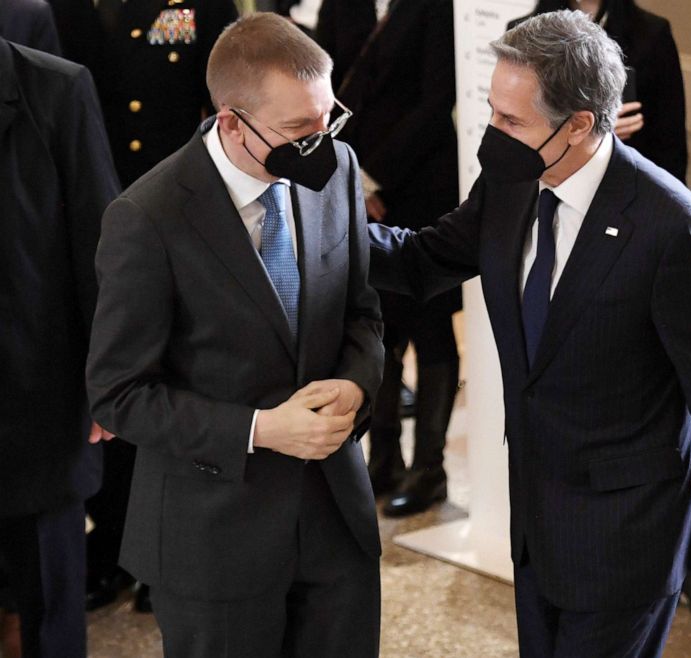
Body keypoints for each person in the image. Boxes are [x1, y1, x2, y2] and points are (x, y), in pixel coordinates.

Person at [369, 11, 691, 656]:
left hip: (628, 537)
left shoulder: (672, 229)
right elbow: (421, 261)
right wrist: (311, 220)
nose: (490, 135)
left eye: (511, 121)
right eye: (492, 111)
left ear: (579, 124)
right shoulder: (511, 183)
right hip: (538, 527)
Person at [86, 13, 384, 657]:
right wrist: (259, 427)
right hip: (212, 540)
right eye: (298, 130)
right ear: (231, 122)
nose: (319, 143)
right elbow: (119, 393)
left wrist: (357, 386)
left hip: (336, 522)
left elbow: (361, 311)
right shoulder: (147, 216)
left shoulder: (334, 169)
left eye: (327, 120)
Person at [41, 0, 240, 613]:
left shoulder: (198, 5)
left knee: (174, 379)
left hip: (174, 213)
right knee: (108, 382)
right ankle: (115, 549)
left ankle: (166, 552)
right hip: (88, 217)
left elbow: (224, 108)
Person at [314, 0, 461, 515]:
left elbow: (438, 98)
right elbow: (324, 86)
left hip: (423, 184)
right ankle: (382, 457)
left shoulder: (435, 6)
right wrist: (351, 179)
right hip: (354, 183)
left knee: (432, 325)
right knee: (375, 322)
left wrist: (377, 177)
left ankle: (429, 468)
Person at [0, 35, 119, 658]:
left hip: (35, 399)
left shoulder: (56, 88)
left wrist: (109, 380)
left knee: (49, 606)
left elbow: (100, 247)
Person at [510, 0, 687, 182]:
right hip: (547, 186)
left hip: (628, 186)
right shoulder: (523, 36)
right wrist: (596, 132)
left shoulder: (653, 34)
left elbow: (671, 147)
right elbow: (512, 131)